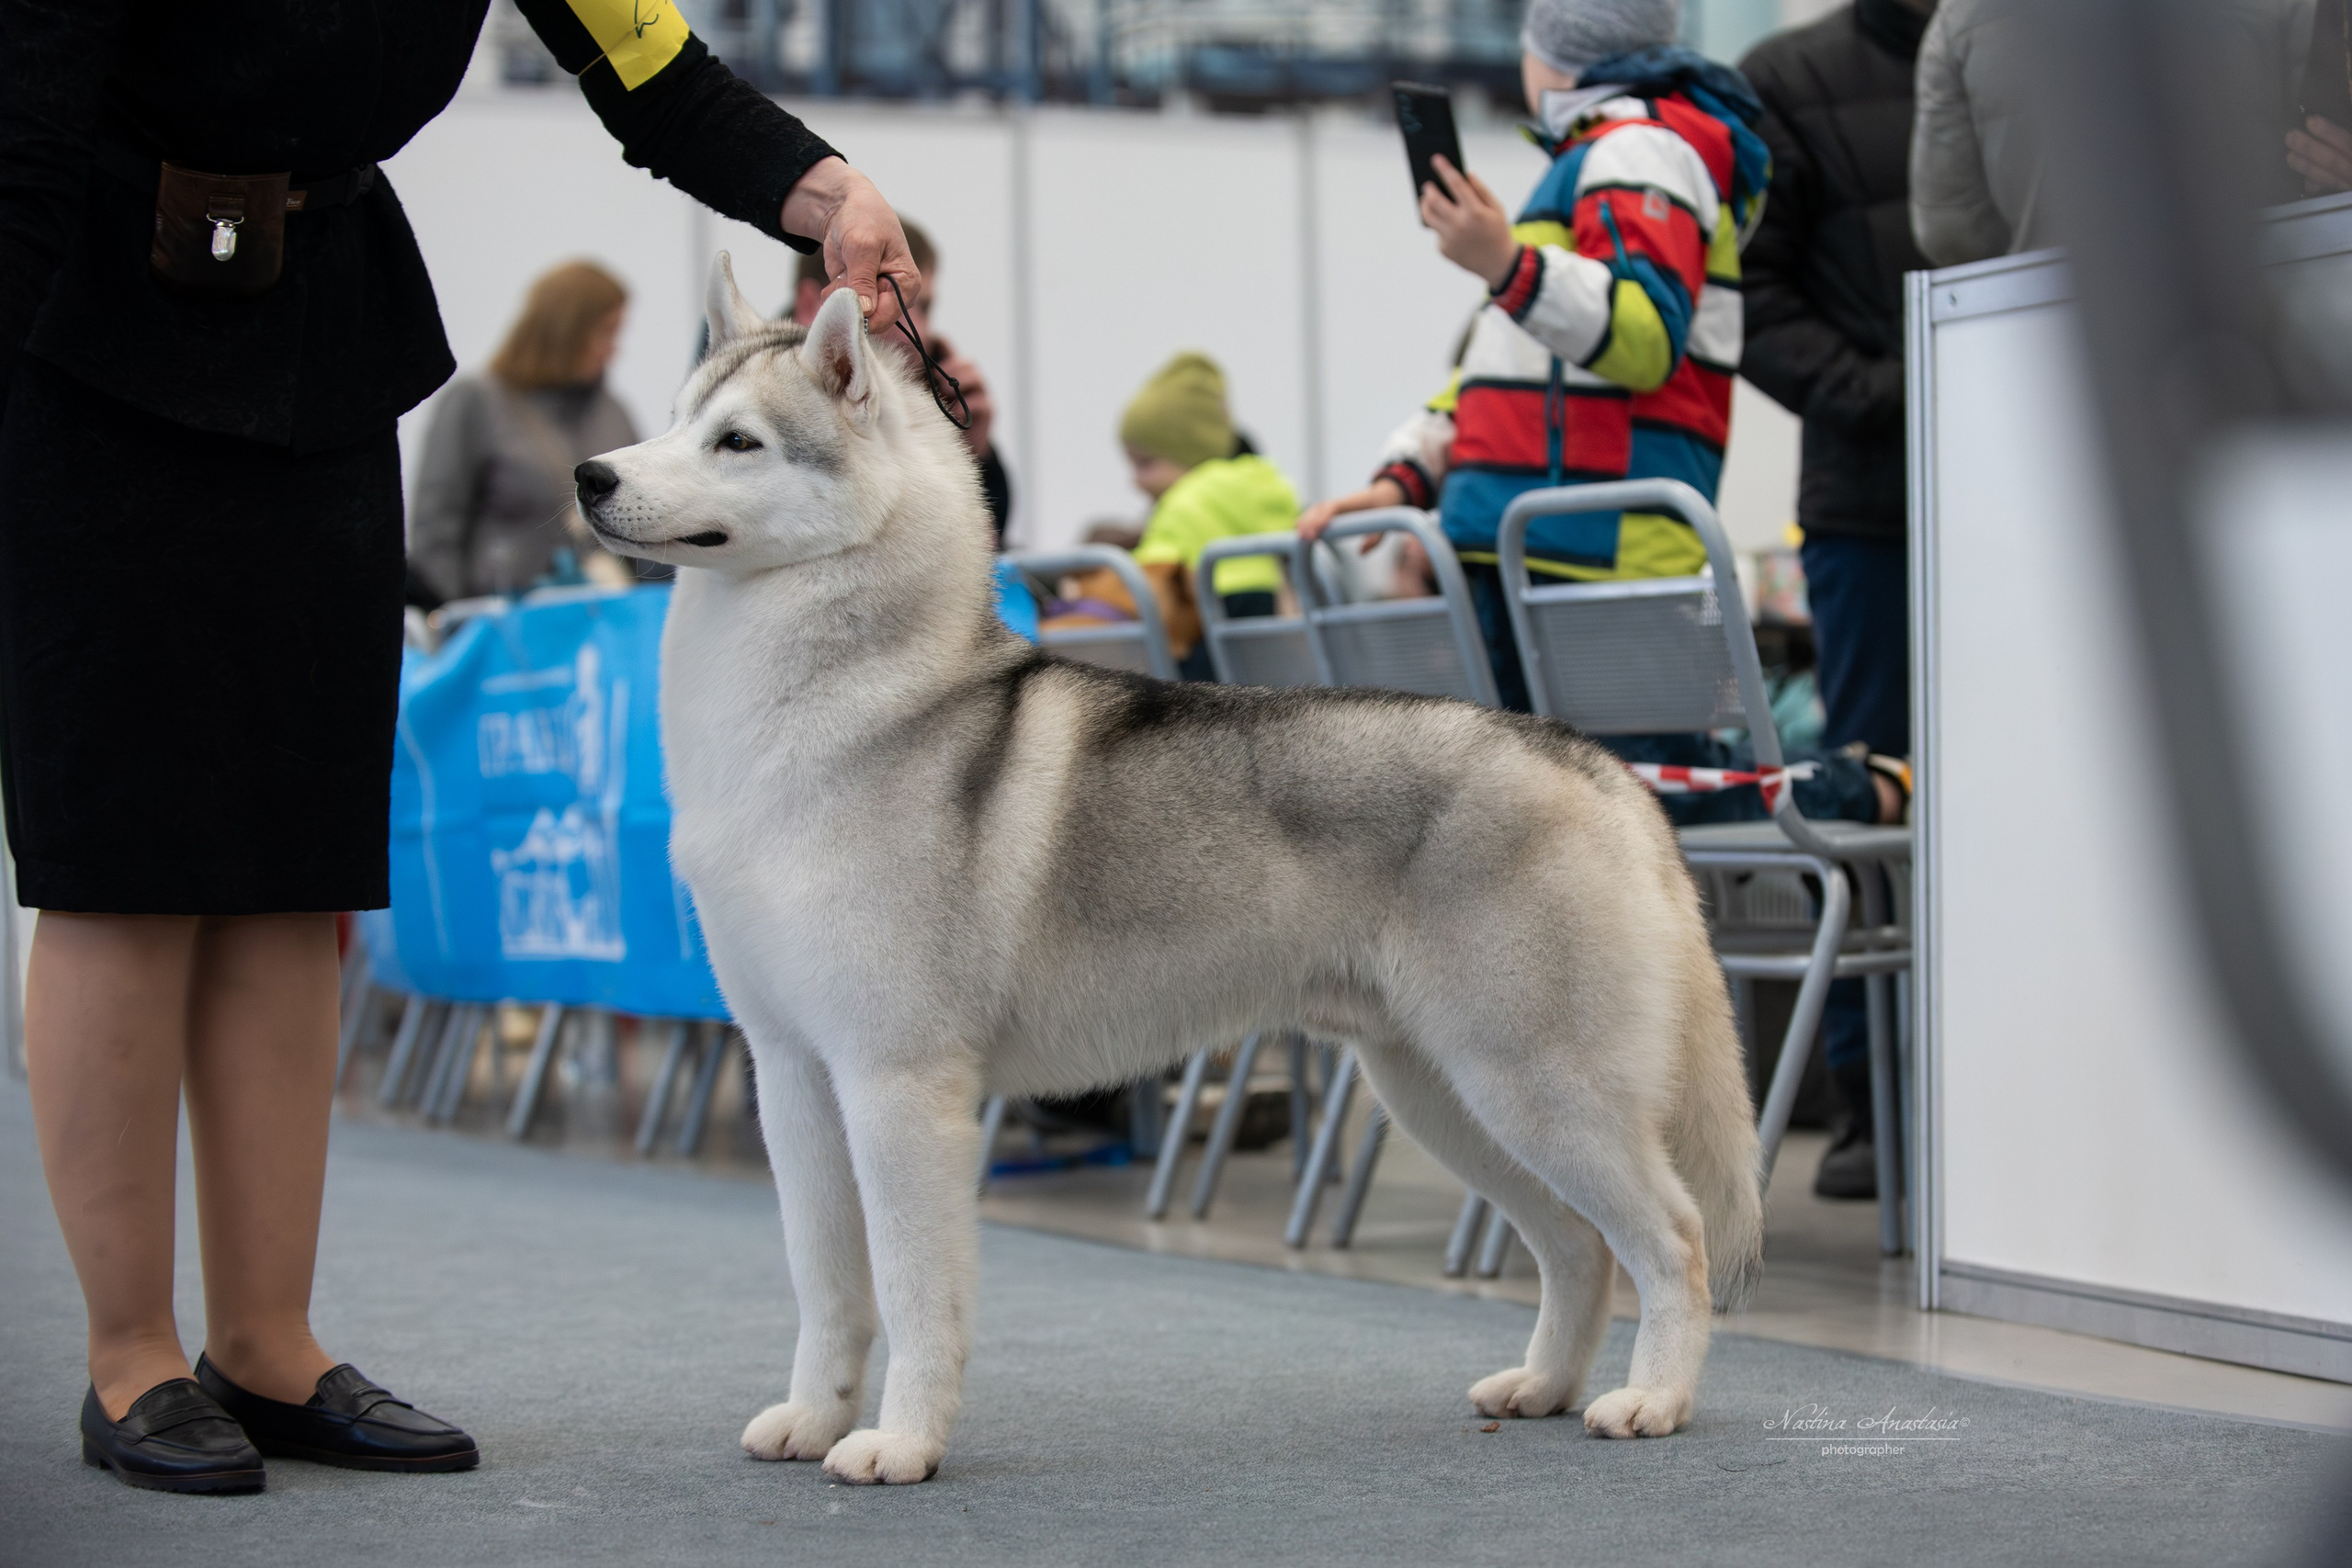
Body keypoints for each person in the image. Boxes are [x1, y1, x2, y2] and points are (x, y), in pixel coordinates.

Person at [0, 0, 917, 1497]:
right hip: (93, 345)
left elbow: (645, 66)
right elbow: (20, 131)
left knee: (303, 864)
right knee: (121, 860)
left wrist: (828, 195)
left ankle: (268, 1339)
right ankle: (130, 1356)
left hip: (327, 351)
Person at [1300, 0, 1894, 828]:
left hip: (1602, 558)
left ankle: (1858, 788)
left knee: (1640, 807)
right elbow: (1495, 372)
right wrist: (1405, 474)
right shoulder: (1595, 159)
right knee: (1558, 821)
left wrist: (1508, 261)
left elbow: (1645, 332)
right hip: (1526, 548)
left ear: (1558, 55)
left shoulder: (1643, 148)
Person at [1737, 0, 1936, 1200]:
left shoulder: (2036, 52)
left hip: (2034, 488)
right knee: (1876, 784)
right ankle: (1875, 1108)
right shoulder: (1786, 77)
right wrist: (1884, 387)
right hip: (1869, 500)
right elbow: (1747, 299)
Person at [1912, 0, 2313, 265]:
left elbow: (1947, 230)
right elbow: (2323, 150)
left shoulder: (1959, 17)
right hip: (2261, 295)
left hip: (2057, 322)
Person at [408, 260, 641, 601]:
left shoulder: (613, 412)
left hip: (597, 628)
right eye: (605, 332)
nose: (614, 349)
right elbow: (436, 531)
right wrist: (450, 624)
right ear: (566, 330)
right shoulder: (476, 401)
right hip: (500, 629)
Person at [789, 220, 1014, 546]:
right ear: (813, 305)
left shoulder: (927, 400)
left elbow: (973, 563)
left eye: (924, 307)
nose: (918, 331)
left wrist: (972, 461)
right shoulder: (747, 408)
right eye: (894, 302)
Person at [1120, 353, 1299, 680]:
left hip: (1204, 617)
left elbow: (1157, 568)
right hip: (1262, 606)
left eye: (1145, 464)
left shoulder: (1184, 500)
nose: (1135, 480)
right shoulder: (1262, 484)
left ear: (1190, 453)